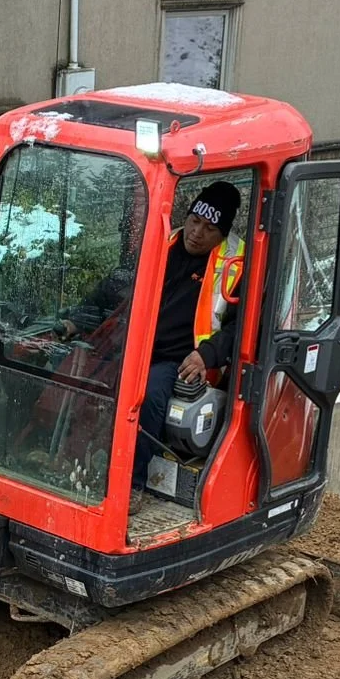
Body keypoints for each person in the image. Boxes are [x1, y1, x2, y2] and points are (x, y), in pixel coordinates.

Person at [132, 179, 245, 490]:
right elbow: (121, 285)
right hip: (137, 347)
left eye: (209, 228)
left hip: (181, 359)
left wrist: (206, 354)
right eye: (195, 221)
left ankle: (134, 484)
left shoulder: (236, 264)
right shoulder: (165, 244)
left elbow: (243, 326)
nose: (197, 232)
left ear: (222, 233)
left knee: (150, 397)